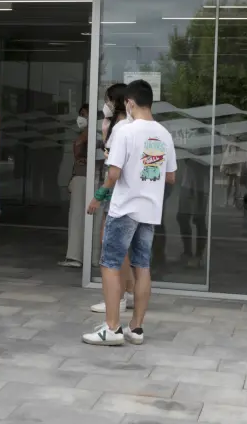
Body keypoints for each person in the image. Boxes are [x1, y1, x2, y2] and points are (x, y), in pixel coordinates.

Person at [83, 80, 176, 346]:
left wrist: (100, 195)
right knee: (142, 266)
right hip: (149, 210)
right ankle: (136, 329)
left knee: (110, 264)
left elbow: (114, 173)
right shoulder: (164, 135)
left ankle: (112, 329)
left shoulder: (126, 131)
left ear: (130, 103)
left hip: (125, 208)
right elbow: (170, 177)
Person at [89, 83, 136, 313]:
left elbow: (113, 170)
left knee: (109, 243)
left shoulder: (121, 128)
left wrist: (99, 196)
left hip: (116, 191)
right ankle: (127, 292)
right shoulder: (126, 125)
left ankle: (115, 298)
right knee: (123, 247)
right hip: (127, 192)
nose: (105, 105)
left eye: (108, 100)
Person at [60, 104, 91, 268]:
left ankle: (75, 256)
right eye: (81, 114)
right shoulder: (87, 134)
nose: (81, 118)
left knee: (77, 216)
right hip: (81, 177)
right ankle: (84, 256)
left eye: (84, 114)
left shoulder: (90, 135)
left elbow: (79, 151)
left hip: (84, 177)